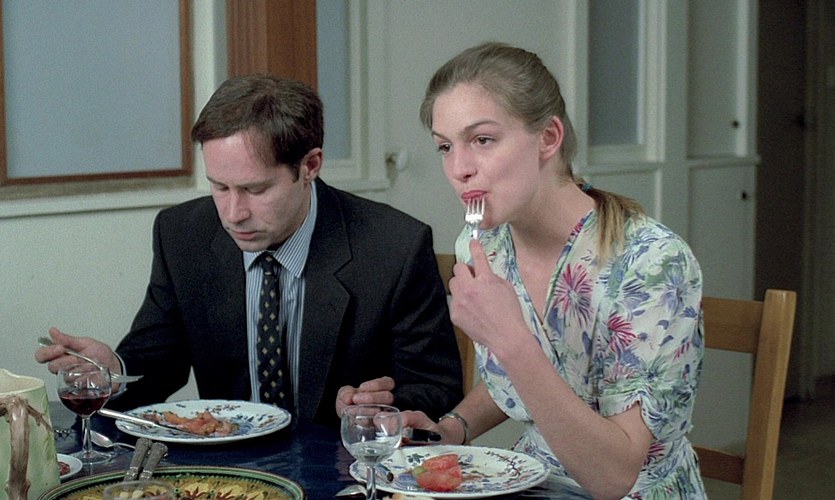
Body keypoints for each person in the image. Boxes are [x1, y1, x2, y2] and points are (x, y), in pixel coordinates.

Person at [35, 75, 463, 426]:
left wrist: (377, 405)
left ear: (310, 166)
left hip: (339, 468)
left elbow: (437, 388)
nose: (233, 214)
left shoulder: (394, 246)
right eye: (219, 187)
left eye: (255, 190)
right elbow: (158, 363)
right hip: (227, 468)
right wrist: (115, 371)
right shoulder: (182, 234)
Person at [402, 42, 706, 499]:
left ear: (548, 137)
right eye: (445, 146)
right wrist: (452, 428)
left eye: (482, 140)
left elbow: (614, 478)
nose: (459, 169)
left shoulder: (652, 262)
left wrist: (510, 338)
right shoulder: (483, 246)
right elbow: (523, 378)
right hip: (534, 482)